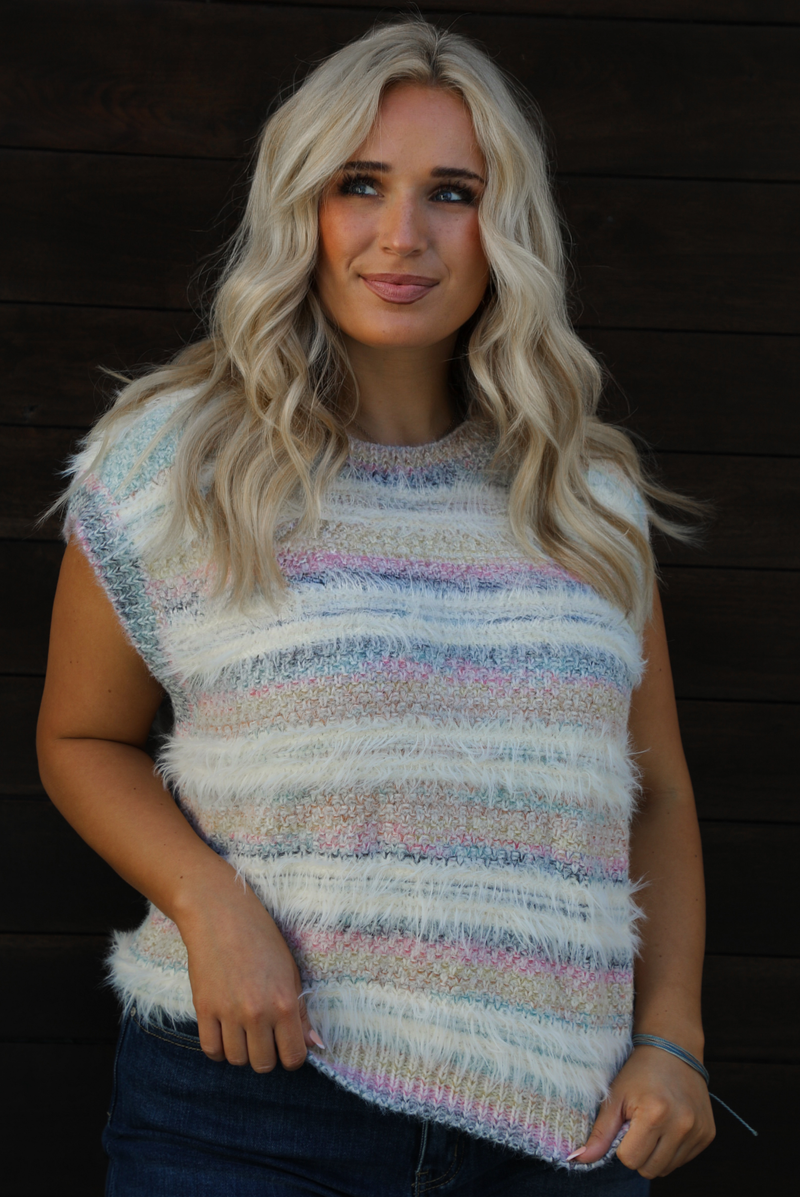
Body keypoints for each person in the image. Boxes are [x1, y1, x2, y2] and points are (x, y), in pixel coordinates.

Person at [36, 19, 715, 1196]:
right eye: (359, 185)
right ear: (299, 206)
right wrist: (206, 903)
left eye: (451, 192)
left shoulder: (582, 493)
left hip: (560, 1126)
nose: (401, 236)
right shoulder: (168, 463)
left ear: (504, 228)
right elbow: (80, 738)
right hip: (244, 1112)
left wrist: (672, 1038)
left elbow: (650, 789)